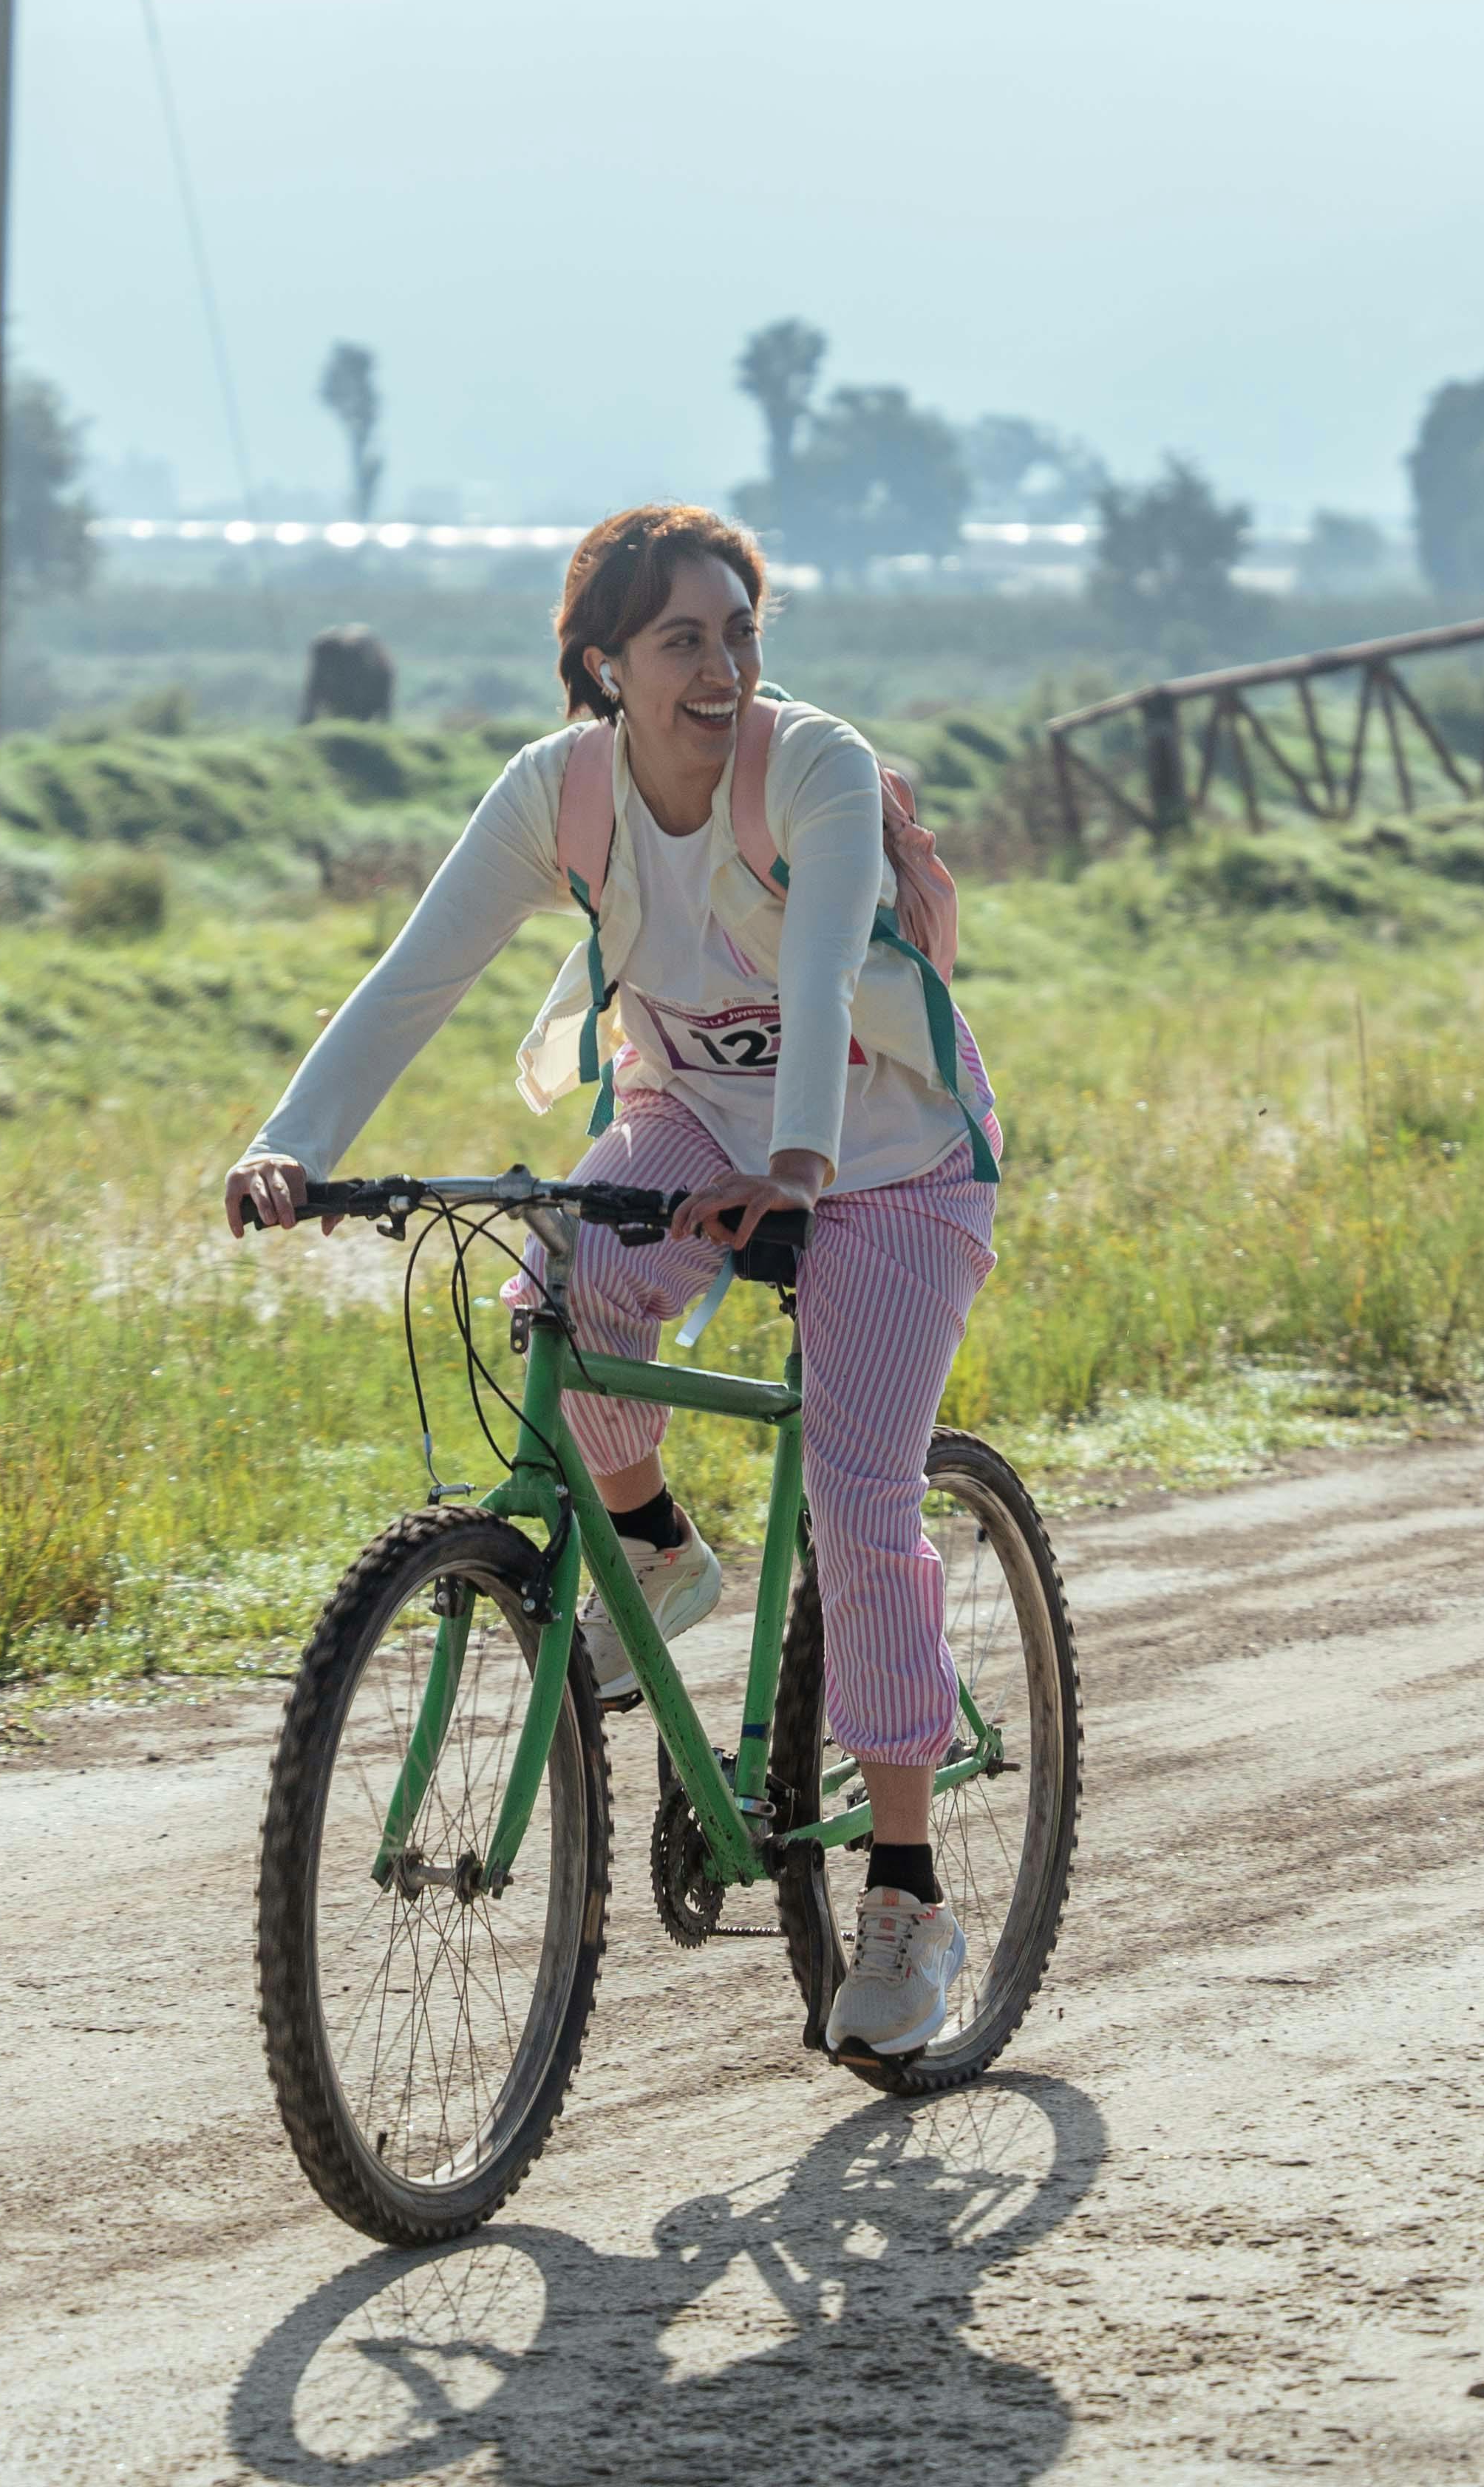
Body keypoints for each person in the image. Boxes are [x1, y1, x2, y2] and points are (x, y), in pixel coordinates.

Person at [225, 504, 1005, 2067]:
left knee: (859, 1500)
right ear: (603, 663)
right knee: (557, 1303)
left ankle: (909, 1889)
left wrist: (794, 1171)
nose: (722, 670)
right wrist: (291, 1145)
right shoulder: (559, 793)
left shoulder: (817, 768)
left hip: (893, 1155)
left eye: (741, 635)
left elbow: (820, 970)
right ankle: (651, 1549)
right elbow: (416, 974)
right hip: (692, 1121)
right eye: (683, 641)